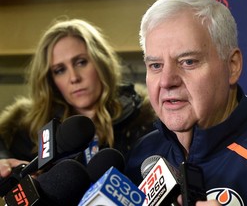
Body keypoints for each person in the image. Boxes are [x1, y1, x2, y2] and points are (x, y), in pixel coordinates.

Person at [125, 0, 247, 205]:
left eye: (188, 62)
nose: (166, 81)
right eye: (155, 65)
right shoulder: (144, 153)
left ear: (232, 66)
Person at [0, 18, 156, 178]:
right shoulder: (26, 131)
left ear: (100, 62)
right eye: (60, 70)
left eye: (81, 62)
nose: (74, 78)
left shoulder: (146, 120)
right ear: (51, 80)